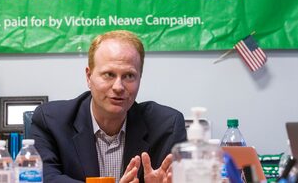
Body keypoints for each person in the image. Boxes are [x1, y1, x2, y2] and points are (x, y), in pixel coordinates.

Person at [31, 30, 187, 183]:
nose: (118, 86)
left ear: (140, 78)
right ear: (88, 76)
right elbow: (44, 178)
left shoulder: (167, 126)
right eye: (109, 74)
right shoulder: (51, 121)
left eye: (129, 76)